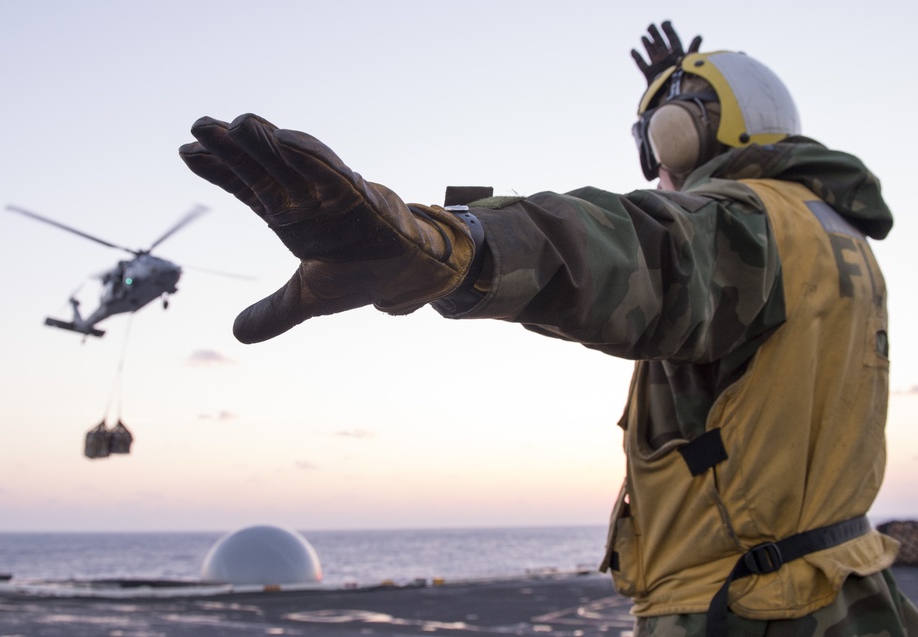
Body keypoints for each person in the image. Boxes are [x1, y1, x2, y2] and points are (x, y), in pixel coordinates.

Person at [179, 21, 917, 637]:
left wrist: (445, 246)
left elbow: (631, 249)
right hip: (845, 591)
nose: (656, 167)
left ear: (691, 130)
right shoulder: (835, 236)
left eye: (658, 137)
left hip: (746, 610)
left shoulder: (748, 225)